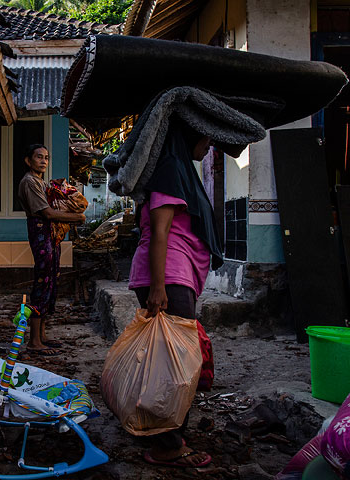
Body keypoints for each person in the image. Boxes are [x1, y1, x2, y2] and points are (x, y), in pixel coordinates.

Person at [129, 119, 223, 468]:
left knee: (170, 361)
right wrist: (157, 287)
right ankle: (167, 445)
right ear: (190, 136)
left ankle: (162, 432)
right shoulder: (170, 171)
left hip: (172, 276)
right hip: (167, 277)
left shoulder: (180, 171)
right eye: (206, 137)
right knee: (175, 365)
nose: (209, 145)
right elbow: (160, 231)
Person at [17, 144, 86, 356]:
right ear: (29, 161)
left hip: (49, 234)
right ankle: (34, 341)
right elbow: (47, 213)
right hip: (40, 231)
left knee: (51, 280)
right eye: (39, 157)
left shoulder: (41, 181)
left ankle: (42, 336)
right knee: (42, 281)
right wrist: (77, 217)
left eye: (46, 157)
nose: (44, 161)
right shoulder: (29, 182)